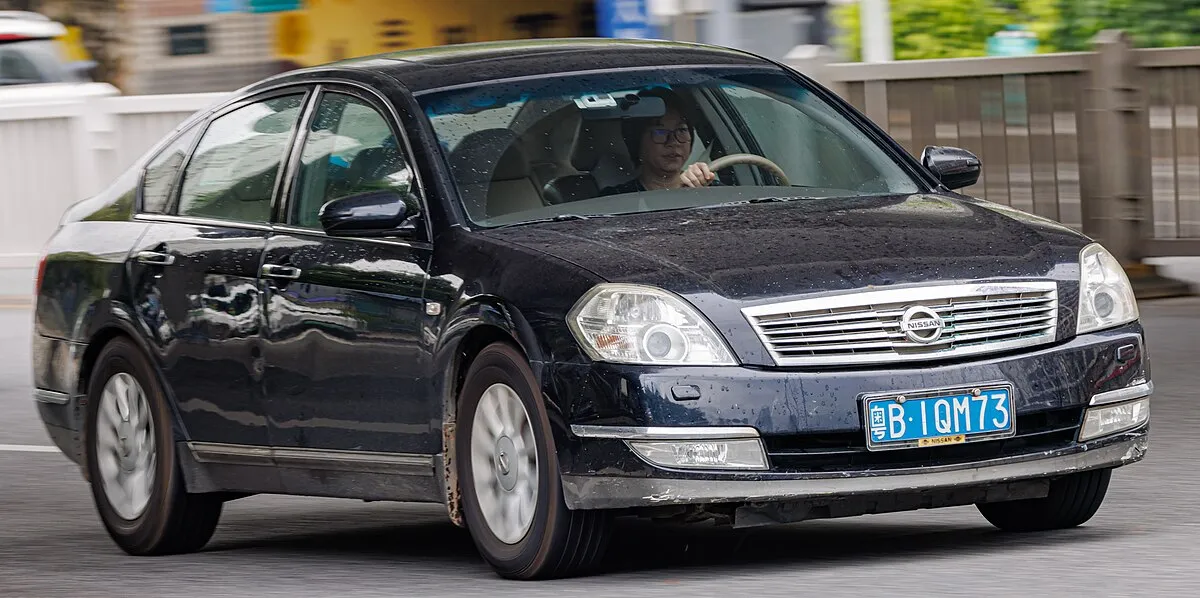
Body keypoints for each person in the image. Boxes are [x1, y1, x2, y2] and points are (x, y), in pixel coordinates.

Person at [598, 87, 718, 196]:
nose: (673, 142)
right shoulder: (615, 200)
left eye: (681, 130)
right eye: (660, 132)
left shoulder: (710, 189)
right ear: (637, 141)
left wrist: (700, 192)